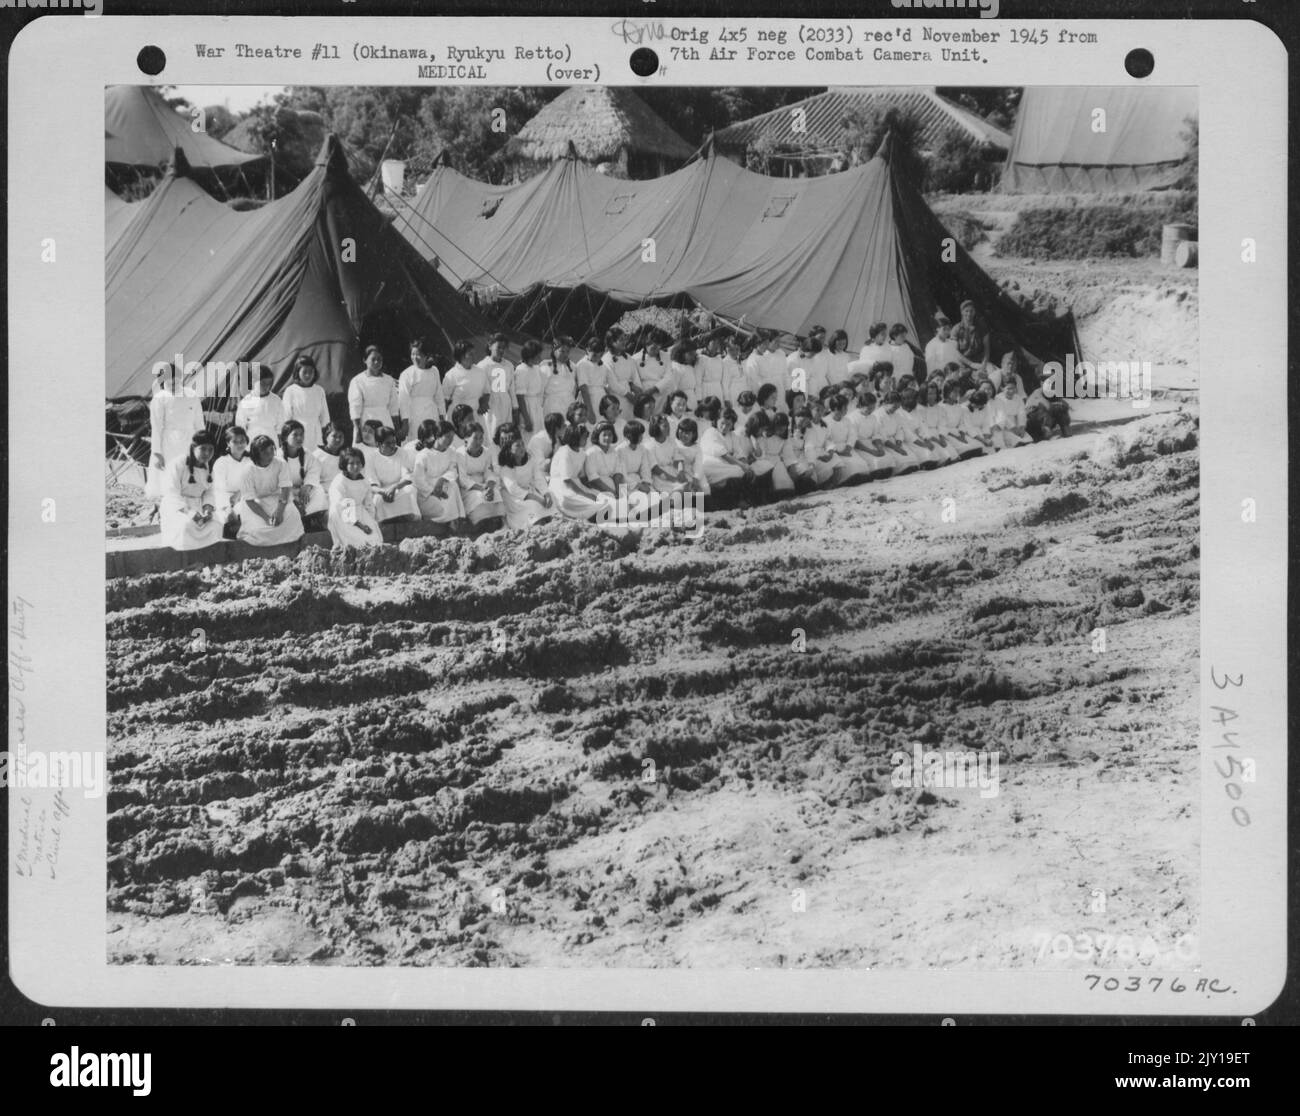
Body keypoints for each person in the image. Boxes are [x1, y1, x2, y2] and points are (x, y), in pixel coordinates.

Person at [236, 435, 305, 547]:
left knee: (293, 519)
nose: (270, 455)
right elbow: (249, 500)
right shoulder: (247, 470)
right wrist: (267, 518)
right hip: (255, 505)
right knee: (257, 531)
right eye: (265, 452)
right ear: (257, 454)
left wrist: (279, 511)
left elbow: (285, 488)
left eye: (272, 450)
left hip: (279, 500)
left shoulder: (281, 463)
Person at [159, 431, 222, 551]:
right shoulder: (178, 464)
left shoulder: (209, 467)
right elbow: (171, 493)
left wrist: (207, 509)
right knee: (186, 525)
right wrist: (189, 512)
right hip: (177, 508)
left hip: (198, 507)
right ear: (193, 447)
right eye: (203, 449)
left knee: (216, 525)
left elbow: (209, 492)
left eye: (210, 449)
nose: (207, 453)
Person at [549, 424, 616, 522]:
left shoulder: (581, 453)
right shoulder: (565, 452)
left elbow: (582, 478)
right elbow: (567, 480)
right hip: (562, 487)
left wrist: (593, 491)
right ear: (576, 437)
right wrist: (586, 494)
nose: (586, 439)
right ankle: (594, 516)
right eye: (584, 437)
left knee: (604, 497)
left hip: (576, 485)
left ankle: (605, 513)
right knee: (586, 502)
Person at [410, 419, 468, 528]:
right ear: (437, 435)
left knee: (453, 485)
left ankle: (454, 519)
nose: (450, 440)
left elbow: (453, 470)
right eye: (447, 436)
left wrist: (442, 480)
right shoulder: (423, 455)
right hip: (427, 495)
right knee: (445, 507)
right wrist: (433, 492)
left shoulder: (451, 451)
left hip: (443, 487)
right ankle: (451, 519)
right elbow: (418, 480)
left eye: (452, 437)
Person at [327, 447, 383, 549]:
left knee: (374, 538)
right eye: (351, 463)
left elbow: (368, 503)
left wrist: (371, 520)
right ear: (344, 464)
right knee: (357, 541)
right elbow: (341, 506)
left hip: (359, 511)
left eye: (358, 462)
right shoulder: (340, 481)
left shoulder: (364, 481)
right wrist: (360, 525)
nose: (356, 466)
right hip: (342, 514)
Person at [278, 420, 329, 530]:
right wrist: (292, 498)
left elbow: (314, 470)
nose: (299, 438)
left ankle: (308, 518)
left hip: (302, 492)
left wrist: (307, 485)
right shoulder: (277, 456)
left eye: (301, 434)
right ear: (285, 437)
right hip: (285, 492)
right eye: (295, 435)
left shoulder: (307, 454)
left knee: (319, 491)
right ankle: (296, 518)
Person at [454, 420, 504, 528]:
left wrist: (490, 487)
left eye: (481, 437)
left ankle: (495, 521)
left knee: (496, 493)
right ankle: (480, 523)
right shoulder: (460, 454)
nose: (478, 441)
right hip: (468, 488)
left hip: (484, 484)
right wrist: (482, 489)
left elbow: (489, 472)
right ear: (466, 439)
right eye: (475, 438)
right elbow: (463, 479)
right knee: (478, 497)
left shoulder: (486, 452)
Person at [497, 437, 555, 530]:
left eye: (522, 444)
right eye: (517, 445)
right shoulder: (505, 469)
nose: (522, 448)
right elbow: (514, 490)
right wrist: (538, 499)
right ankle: (536, 523)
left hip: (529, 491)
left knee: (552, 497)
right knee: (533, 505)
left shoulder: (530, 461)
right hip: (514, 498)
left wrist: (546, 494)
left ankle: (546, 520)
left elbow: (538, 478)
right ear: (509, 449)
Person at [347, 346, 400, 448]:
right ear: (365, 360)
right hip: (365, 423)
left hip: (385, 421)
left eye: (379, 359)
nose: (376, 362)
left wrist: (396, 429)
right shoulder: (357, 381)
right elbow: (355, 407)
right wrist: (358, 430)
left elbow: (394, 407)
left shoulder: (389, 380)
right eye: (373, 359)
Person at [397, 337, 446, 445]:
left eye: (418, 354)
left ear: (426, 355)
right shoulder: (406, 374)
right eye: (412, 354)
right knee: (416, 443)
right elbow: (403, 401)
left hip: (432, 414)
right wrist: (405, 424)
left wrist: (442, 417)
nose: (415, 357)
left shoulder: (434, 371)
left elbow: (439, 397)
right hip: (414, 416)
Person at [366, 426, 420, 523]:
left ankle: (409, 521)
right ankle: (385, 524)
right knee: (377, 499)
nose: (392, 446)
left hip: (400, 487)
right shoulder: (371, 457)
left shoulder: (402, 453)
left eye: (394, 442)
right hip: (381, 491)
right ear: (378, 444)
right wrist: (383, 492)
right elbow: (372, 484)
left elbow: (407, 478)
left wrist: (394, 487)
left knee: (410, 490)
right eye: (388, 443)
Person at [699, 396, 751, 494]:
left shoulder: (732, 435)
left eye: (728, 425)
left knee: (742, 470)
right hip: (711, 465)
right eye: (722, 423)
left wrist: (745, 464)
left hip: (725, 465)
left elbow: (739, 453)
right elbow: (723, 455)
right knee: (738, 470)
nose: (724, 427)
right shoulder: (711, 432)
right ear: (717, 420)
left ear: (732, 425)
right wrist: (742, 466)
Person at [282, 356, 331, 454]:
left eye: (311, 372)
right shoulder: (290, 391)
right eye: (304, 372)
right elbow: (286, 416)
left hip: (315, 433)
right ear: (297, 372)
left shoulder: (319, 390)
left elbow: (324, 416)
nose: (308, 375)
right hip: (297, 434)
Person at [822, 393, 874, 485]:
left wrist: (848, 448)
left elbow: (852, 435)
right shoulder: (825, 422)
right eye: (844, 408)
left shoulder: (847, 420)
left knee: (861, 465)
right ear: (836, 408)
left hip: (847, 448)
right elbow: (827, 440)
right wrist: (837, 451)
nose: (846, 410)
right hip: (834, 451)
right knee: (849, 468)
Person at [211, 425, 252, 535]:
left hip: (246, 497)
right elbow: (218, 489)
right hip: (225, 500)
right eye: (235, 441)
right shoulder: (221, 462)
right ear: (228, 443)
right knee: (225, 519)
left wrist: (240, 493)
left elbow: (255, 483)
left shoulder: (251, 461)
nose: (239, 444)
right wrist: (227, 507)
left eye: (242, 441)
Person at [477, 334, 516, 442]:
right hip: (491, 406)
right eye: (499, 347)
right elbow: (480, 389)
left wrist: (515, 407)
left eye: (504, 348)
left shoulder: (509, 365)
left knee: (507, 435)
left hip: (506, 405)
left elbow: (511, 389)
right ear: (490, 346)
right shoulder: (483, 366)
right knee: (492, 434)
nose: (501, 350)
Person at [236, 364, 287, 446]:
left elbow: (281, 421)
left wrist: (279, 437)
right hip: (252, 439)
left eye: (269, 384)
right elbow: (240, 423)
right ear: (253, 381)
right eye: (262, 383)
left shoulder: (276, 400)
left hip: (271, 438)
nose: (266, 387)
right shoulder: (247, 400)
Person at [441, 338, 490, 420]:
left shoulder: (480, 372)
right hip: (456, 418)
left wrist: (484, 404)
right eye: (470, 354)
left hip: (476, 417)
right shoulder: (451, 375)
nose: (474, 356)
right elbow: (444, 400)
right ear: (461, 356)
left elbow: (487, 392)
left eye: (473, 353)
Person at [602, 329, 642, 414]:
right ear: (612, 342)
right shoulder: (606, 359)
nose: (624, 342)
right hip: (615, 397)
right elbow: (613, 383)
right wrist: (628, 395)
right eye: (621, 340)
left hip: (631, 398)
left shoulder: (628, 357)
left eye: (624, 339)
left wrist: (637, 390)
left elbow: (635, 376)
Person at [512, 339, 546, 436]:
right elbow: (520, 397)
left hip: (537, 408)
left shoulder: (536, 368)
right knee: (528, 437)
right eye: (538, 355)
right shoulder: (521, 370)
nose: (540, 358)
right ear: (530, 355)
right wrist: (527, 420)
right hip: (527, 409)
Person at [541, 336, 578, 420]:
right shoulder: (546, 366)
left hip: (569, 405)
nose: (565, 354)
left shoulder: (573, 366)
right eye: (562, 351)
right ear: (554, 350)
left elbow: (574, 389)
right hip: (552, 407)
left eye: (567, 352)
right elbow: (540, 391)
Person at [672, 417, 710, 496]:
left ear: (693, 434)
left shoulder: (696, 448)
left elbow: (698, 464)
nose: (683, 435)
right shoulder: (675, 443)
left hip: (692, 471)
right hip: (678, 471)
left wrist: (696, 478)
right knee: (684, 487)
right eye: (681, 431)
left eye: (687, 433)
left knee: (704, 487)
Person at [953, 300, 990, 375]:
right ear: (962, 312)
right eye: (966, 311)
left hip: (979, 363)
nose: (969, 314)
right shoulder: (956, 329)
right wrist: (971, 364)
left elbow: (987, 348)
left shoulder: (982, 327)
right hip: (962, 364)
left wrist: (984, 364)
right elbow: (955, 352)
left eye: (971, 311)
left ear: (974, 312)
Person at [574, 335, 605, 419]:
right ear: (587, 350)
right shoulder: (582, 364)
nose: (597, 358)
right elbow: (583, 388)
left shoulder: (602, 365)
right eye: (594, 355)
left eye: (600, 355)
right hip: (589, 401)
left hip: (601, 400)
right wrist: (589, 411)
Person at [633, 335, 671, 401]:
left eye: (657, 347)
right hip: (643, 394)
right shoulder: (635, 358)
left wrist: (654, 389)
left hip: (661, 393)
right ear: (646, 345)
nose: (655, 351)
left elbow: (669, 376)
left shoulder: (667, 357)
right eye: (652, 348)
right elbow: (635, 378)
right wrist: (642, 393)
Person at [312, 422, 346, 489]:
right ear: (326, 437)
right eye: (334, 436)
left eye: (340, 436)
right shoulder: (317, 455)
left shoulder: (344, 456)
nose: (338, 439)